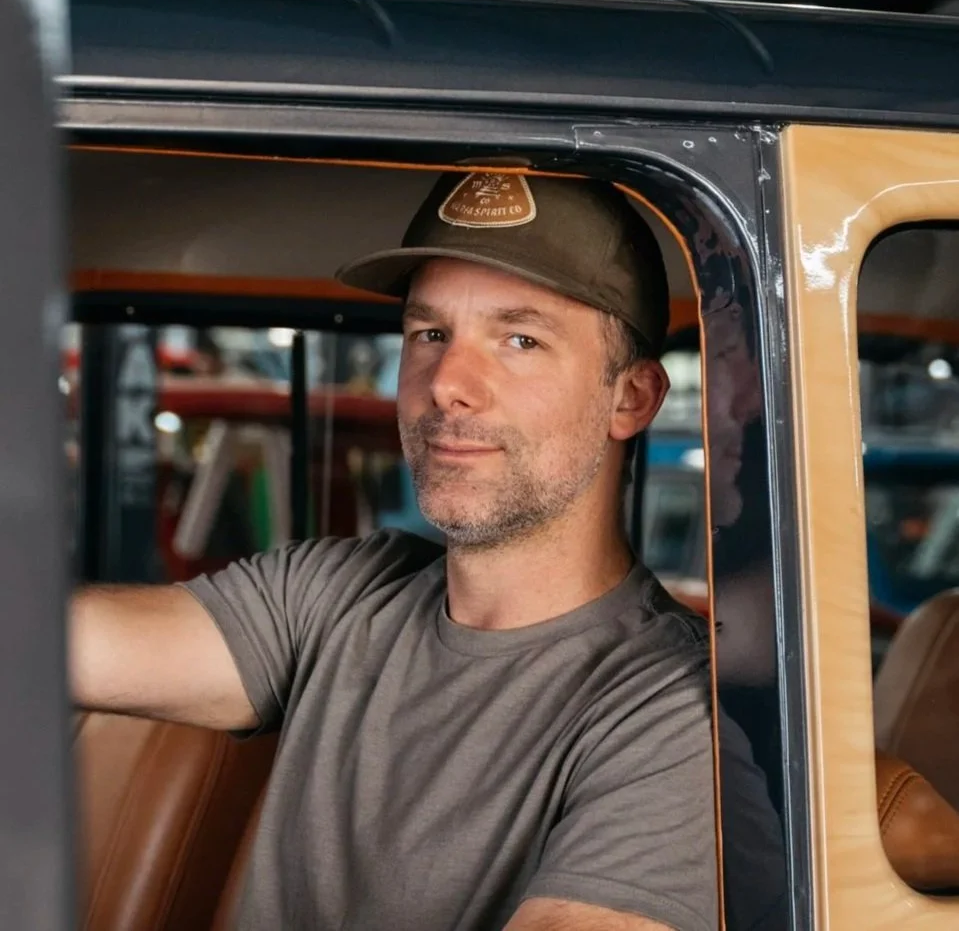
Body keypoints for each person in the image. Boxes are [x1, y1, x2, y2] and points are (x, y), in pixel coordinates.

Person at [71, 171, 785, 931]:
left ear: (630, 398)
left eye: (519, 340)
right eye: (429, 334)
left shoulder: (677, 715)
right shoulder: (339, 592)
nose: (447, 384)